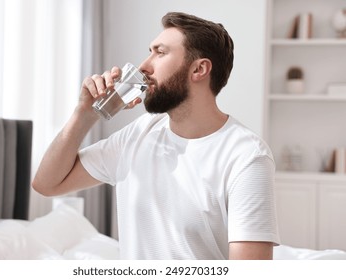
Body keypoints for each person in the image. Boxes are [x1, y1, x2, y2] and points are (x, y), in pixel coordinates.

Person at [32, 12, 280, 260]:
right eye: (150, 51)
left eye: (160, 53)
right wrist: (84, 114)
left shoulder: (246, 156)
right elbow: (47, 183)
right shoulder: (139, 133)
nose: (143, 66)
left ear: (199, 69)